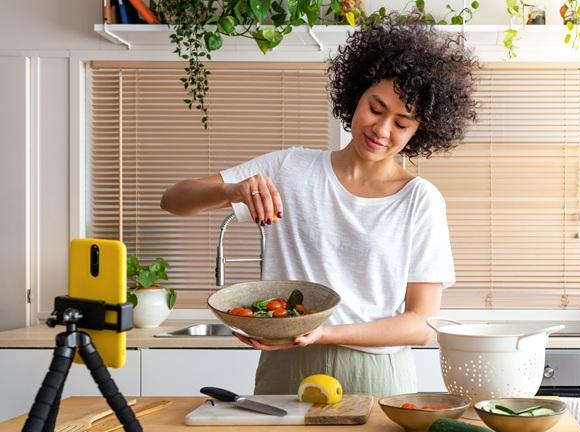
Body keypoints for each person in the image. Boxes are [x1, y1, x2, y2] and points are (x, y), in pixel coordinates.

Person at [160, 15, 479, 396]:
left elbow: (420, 324)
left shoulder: (419, 200)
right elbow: (173, 200)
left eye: (401, 123)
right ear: (356, 95)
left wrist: (325, 333)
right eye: (376, 108)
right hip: (285, 367)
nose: (381, 130)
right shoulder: (289, 168)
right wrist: (235, 190)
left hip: (376, 374)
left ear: (420, 131)